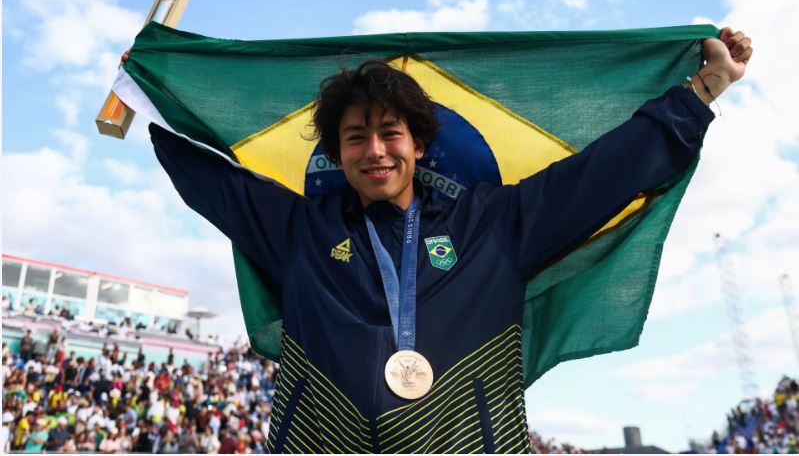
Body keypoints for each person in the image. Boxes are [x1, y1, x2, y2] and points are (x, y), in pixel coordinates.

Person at [146, 28, 752, 453]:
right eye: (356, 138)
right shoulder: (301, 229)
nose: (375, 150)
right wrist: (142, 87)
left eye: (390, 133)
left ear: (419, 144)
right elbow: (211, 180)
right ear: (335, 152)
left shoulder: (494, 224)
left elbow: (601, 176)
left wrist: (701, 92)